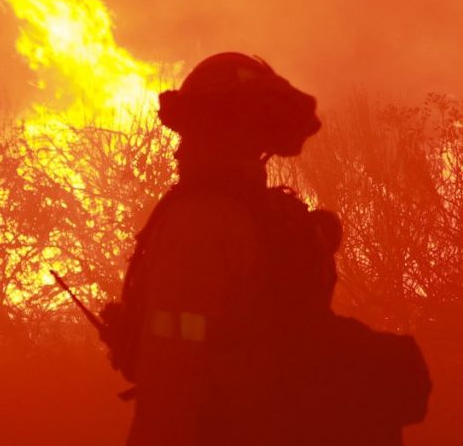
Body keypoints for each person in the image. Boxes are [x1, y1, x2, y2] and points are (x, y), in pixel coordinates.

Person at [100, 52, 430, 445]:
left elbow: (174, 370)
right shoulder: (277, 218)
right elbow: (260, 332)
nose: (179, 148)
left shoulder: (200, 221)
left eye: (189, 130)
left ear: (209, 126)